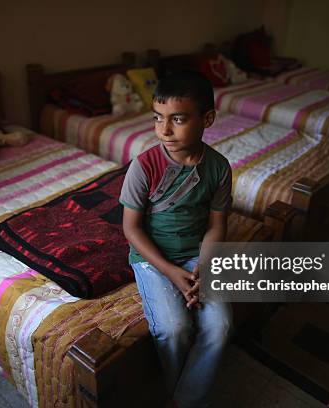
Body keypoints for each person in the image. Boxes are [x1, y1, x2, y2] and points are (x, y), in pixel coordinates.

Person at [119, 70, 233, 408]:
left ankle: (182, 400)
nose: (164, 131)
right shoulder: (143, 166)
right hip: (153, 259)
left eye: (178, 119)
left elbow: (216, 226)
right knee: (173, 328)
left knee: (221, 325)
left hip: (198, 256)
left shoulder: (219, 168)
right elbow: (131, 229)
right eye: (157, 119)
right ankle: (187, 396)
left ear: (207, 119)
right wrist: (170, 272)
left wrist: (206, 269)